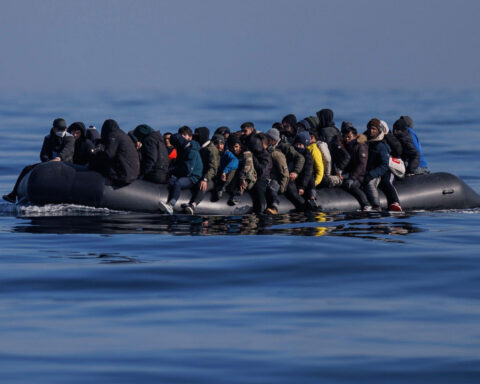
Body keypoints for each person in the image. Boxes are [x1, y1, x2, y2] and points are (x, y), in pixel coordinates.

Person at [3, 118, 74, 203]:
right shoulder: (48, 138)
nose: (62, 131)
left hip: (65, 164)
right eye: (60, 129)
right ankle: (13, 194)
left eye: (64, 129)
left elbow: (67, 150)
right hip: (49, 164)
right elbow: (43, 154)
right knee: (27, 169)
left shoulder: (70, 138)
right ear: (54, 129)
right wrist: (48, 162)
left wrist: (58, 159)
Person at [159, 133, 203, 214]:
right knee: (171, 181)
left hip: (193, 177)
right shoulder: (183, 150)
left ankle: (171, 205)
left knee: (178, 183)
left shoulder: (191, 151)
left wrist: (172, 170)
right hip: (185, 175)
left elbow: (187, 170)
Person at [89, 119, 140, 186]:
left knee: (97, 164)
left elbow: (109, 154)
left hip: (125, 175)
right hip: (133, 173)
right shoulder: (122, 135)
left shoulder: (113, 134)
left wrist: (96, 155)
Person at [183, 127, 219, 214]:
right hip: (199, 175)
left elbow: (213, 168)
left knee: (202, 186)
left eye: (197, 136)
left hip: (211, 178)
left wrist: (205, 179)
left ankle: (193, 205)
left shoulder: (211, 149)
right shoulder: (200, 148)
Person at [341, 124, 371, 210]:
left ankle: (366, 204)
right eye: (345, 137)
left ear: (354, 136)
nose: (346, 139)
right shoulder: (347, 147)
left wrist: (352, 178)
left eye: (349, 137)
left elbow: (362, 165)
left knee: (352, 186)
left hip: (360, 176)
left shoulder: (360, 146)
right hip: (350, 174)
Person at [284, 131, 315, 211]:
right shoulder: (292, 153)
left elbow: (307, 173)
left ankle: (312, 199)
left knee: (311, 178)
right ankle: (302, 204)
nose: (298, 146)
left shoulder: (308, 156)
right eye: (296, 144)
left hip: (302, 178)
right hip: (293, 177)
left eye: (300, 145)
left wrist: (302, 187)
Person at [364, 118, 390, 211]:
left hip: (376, 174)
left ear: (378, 130)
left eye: (374, 129)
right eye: (370, 128)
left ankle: (376, 205)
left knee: (369, 182)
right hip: (365, 171)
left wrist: (371, 174)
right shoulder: (365, 142)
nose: (371, 131)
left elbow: (384, 165)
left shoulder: (381, 146)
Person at [379, 120, 402, 211]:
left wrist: (387, 135)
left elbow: (398, 151)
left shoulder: (390, 138)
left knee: (386, 182)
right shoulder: (370, 137)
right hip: (377, 167)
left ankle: (395, 202)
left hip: (389, 167)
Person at [265, 128, 289, 214]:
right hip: (268, 179)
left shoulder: (276, 154)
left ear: (273, 140)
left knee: (272, 189)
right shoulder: (267, 151)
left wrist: (282, 188)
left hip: (276, 181)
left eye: (268, 138)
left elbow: (285, 173)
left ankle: (274, 207)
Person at [211, 134, 239, 201]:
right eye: (216, 143)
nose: (219, 146)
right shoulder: (210, 153)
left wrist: (225, 171)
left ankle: (223, 187)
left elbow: (235, 161)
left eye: (221, 143)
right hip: (213, 176)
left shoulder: (226, 153)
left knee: (233, 169)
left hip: (223, 177)